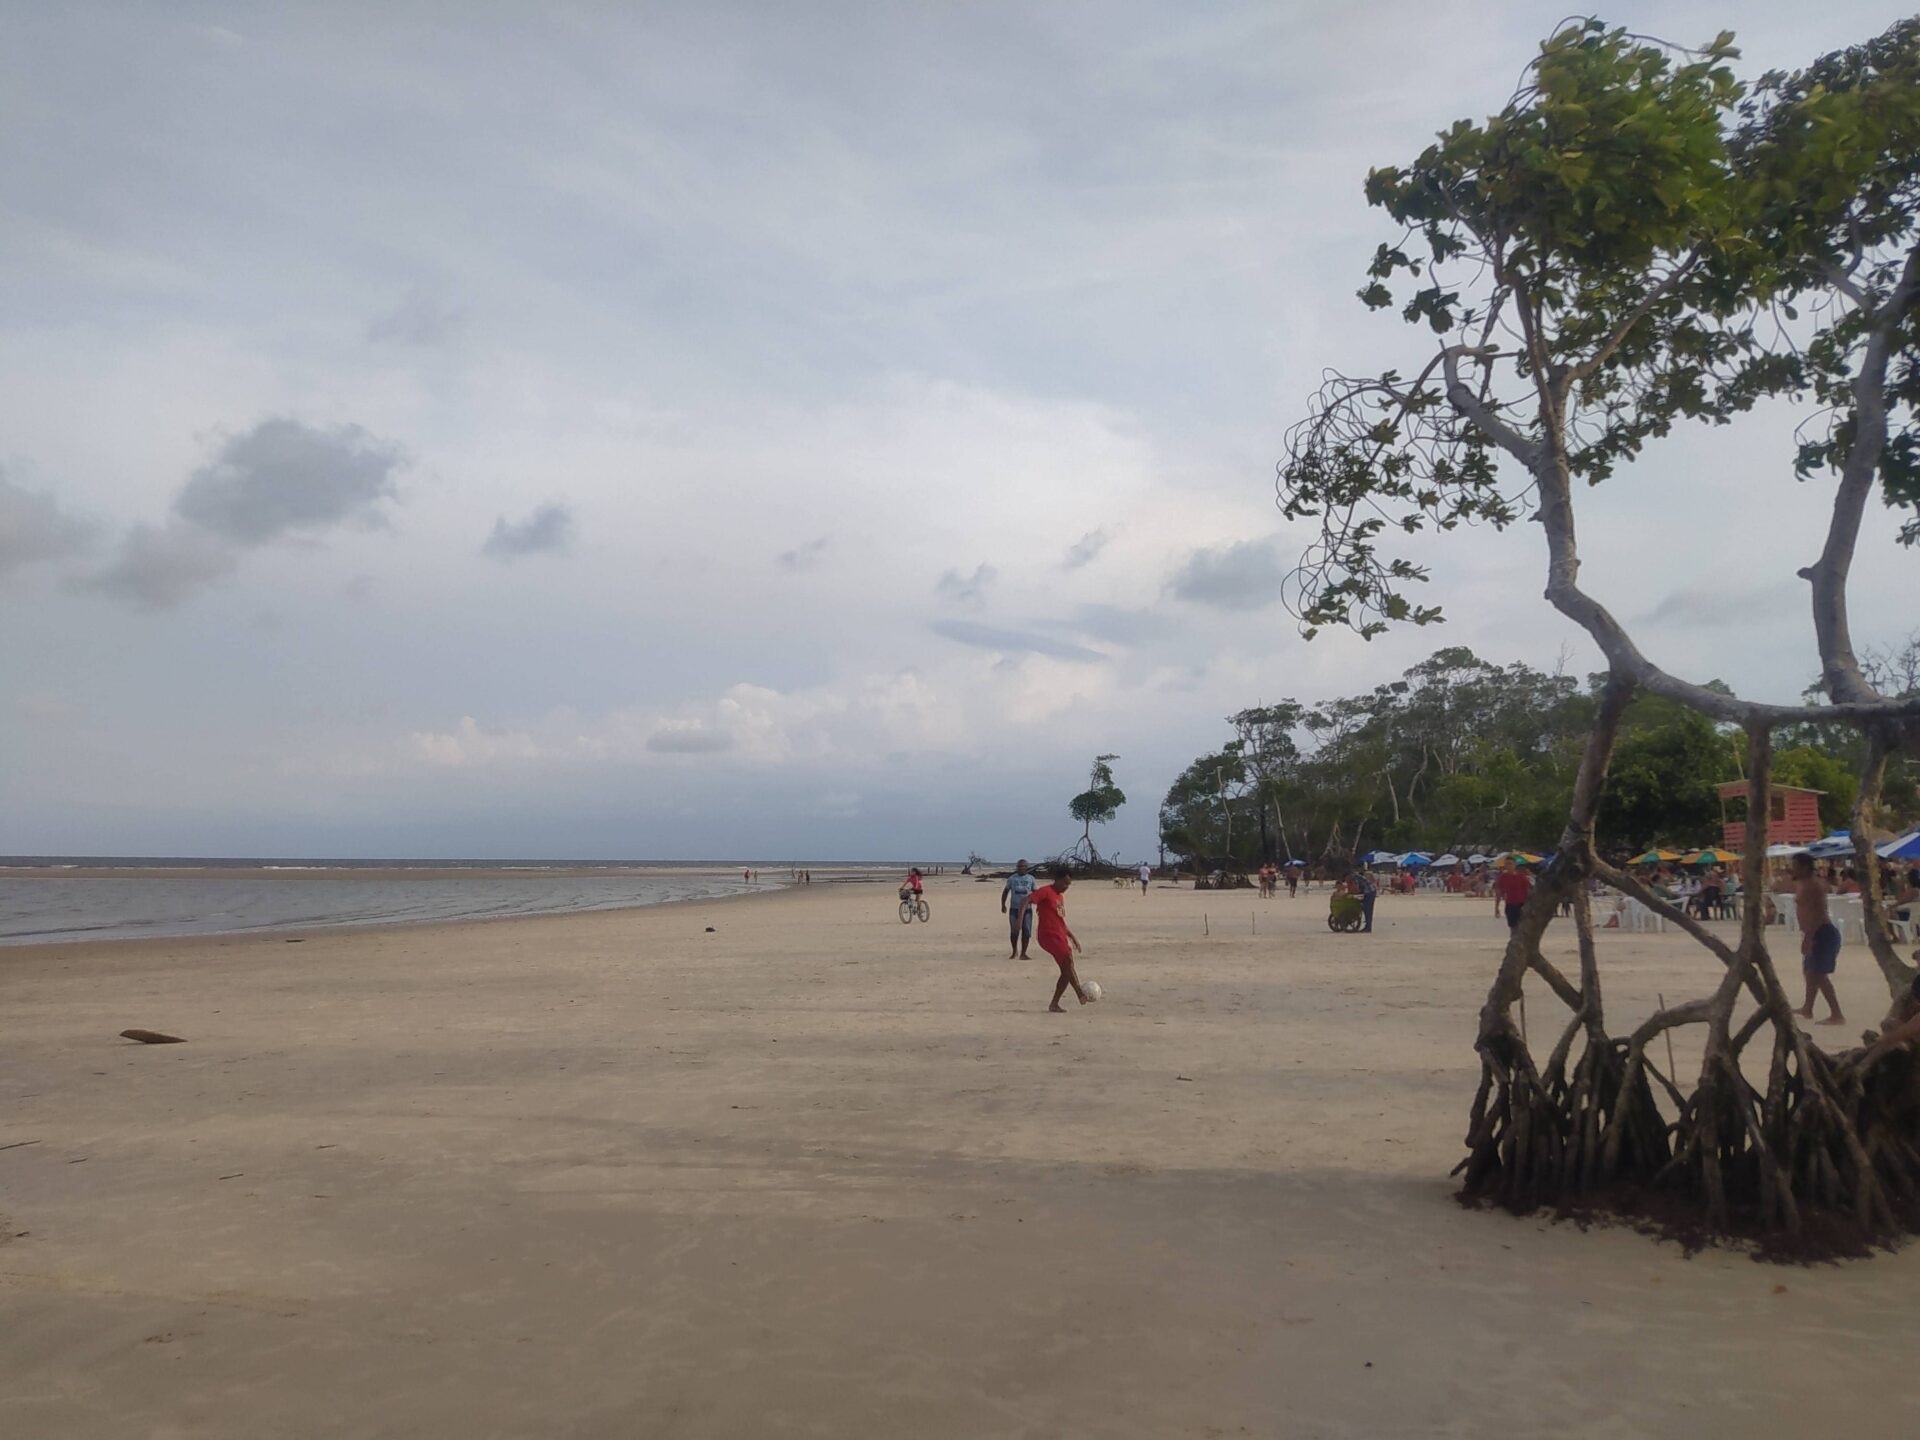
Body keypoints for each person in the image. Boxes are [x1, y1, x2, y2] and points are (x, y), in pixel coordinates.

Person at [1017, 863, 1089, 1012]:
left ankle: (1054, 1004)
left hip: (1060, 935)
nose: (1066, 887)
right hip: (1047, 936)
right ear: (1057, 879)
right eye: (1065, 883)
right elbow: (1025, 901)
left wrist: (1072, 936)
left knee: (1067, 968)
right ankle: (1079, 993)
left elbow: (1060, 920)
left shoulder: (1060, 897)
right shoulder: (1045, 891)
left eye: (1069, 885)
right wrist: (1020, 920)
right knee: (1068, 960)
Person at [1790, 853, 1844, 1025]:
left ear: (1805, 867)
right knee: (1810, 972)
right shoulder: (1803, 883)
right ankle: (1808, 1007)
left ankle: (1837, 1014)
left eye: (1795, 865)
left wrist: (1809, 937)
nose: (1793, 869)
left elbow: (1819, 914)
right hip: (1816, 932)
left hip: (1821, 932)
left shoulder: (1813, 885)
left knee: (1819, 974)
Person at [1001, 859, 1038, 960]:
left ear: (1026, 867)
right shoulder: (1012, 879)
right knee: (1014, 931)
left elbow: (1036, 893)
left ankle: (1023, 953)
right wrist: (1003, 904)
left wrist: (1039, 905)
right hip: (1014, 909)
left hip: (1027, 909)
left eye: (1023, 866)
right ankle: (1014, 951)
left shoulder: (1031, 879)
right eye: (1019, 866)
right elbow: (1005, 891)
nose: (1021, 868)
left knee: (1026, 931)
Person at [1495, 859, 1533, 930]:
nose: (1508, 866)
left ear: (1515, 865)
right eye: (1506, 864)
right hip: (1510, 904)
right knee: (1513, 927)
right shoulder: (1503, 877)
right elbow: (1499, 893)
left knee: (1523, 927)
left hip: (1522, 904)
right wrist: (1496, 907)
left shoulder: (1521, 876)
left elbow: (1528, 890)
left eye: (1510, 864)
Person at [1356, 866, 1377, 933]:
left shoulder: (1366, 875)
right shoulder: (1367, 874)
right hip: (1371, 892)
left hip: (1370, 892)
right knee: (1368, 910)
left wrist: (1354, 875)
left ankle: (1368, 927)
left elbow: (1364, 880)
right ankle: (1368, 926)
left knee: (1367, 910)